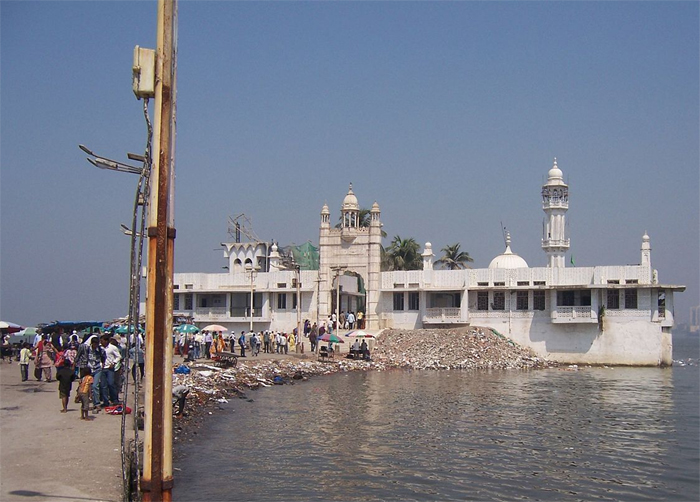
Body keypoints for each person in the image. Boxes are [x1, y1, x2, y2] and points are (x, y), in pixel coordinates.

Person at [88, 335, 108, 412]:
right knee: (89, 387)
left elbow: (104, 357)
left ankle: (97, 403)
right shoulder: (87, 349)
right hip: (89, 369)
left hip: (97, 369)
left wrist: (103, 364)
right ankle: (92, 403)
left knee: (95, 386)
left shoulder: (100, 350)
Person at [101, 335, 121, 406]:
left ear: (106, 341)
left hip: (110, 368)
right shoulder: (101, 348)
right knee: (103, 385)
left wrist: (114, 363)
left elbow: (118, 356)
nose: (101, 342)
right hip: (103, 368)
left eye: (102, 341)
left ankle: (115, 399)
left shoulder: (112, 348)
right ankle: (105, 401)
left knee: (111, 383)